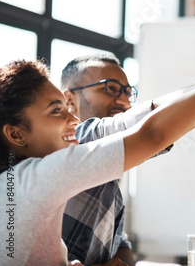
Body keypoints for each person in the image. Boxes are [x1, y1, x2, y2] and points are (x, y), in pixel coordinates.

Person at [0, 9, 195, 265]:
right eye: (56, 110)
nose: (71, 119)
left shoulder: (19, 180)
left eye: (127, 91)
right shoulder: (46, 172)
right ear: (15, 133)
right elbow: (152, 130)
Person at [58, 54, 143, 266]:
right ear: (69, 100)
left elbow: (121, 244)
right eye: (111, 88)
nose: (124, 102)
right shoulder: (71, 144)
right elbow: (154, 132)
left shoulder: (108, 165)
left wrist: (117, 262)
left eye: (128, 93)